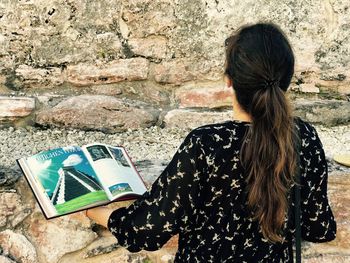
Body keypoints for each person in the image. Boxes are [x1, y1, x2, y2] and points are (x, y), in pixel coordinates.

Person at [86, 22, 336, 262]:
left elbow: (147, 229)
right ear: (287, 80)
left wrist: (92, 212)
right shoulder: (304, 138)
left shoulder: (205, 145)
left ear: (229, 80)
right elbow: (319, 228)